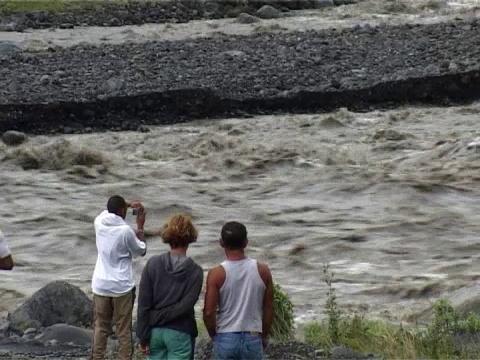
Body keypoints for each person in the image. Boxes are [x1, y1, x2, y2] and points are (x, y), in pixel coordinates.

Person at [203, 221, 274, 360]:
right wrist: (264, 335)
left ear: (221, 242)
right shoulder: (262, 271)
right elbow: (269, 308)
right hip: (253, 336)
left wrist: (214, 334)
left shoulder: (217, 274)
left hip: (226, 336)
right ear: (245, 243)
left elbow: (209, 312)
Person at [137, 213, 203, 360]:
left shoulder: (153, 264)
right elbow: (185, 306)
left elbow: (143, 304)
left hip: (155, 332)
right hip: (180, 332)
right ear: (190, 238)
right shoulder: (195, 271)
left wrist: (143, 335)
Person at [91, 195, 147, 360]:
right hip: (121, 286)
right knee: (123, 330)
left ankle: (97, 357)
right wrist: (140, 227)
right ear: (123, 211)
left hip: (100, 284)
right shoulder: (125, 231)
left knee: (100, 327)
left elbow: (106, 211)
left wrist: (124, 205)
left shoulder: (98, 223)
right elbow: (141, 250)